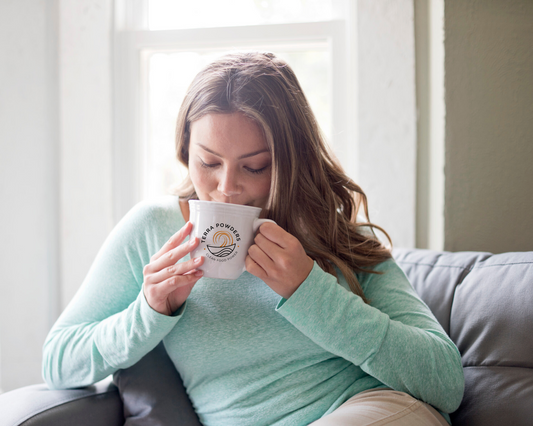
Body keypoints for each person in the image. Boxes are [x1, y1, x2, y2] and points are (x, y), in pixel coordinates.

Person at [42, 52, 464, 426]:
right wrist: (149, 311)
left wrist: (310, 291)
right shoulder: (152, 230)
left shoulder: (334, 235)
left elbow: (445, 382)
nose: (227, 187)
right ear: (185, 149)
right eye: (208, 161)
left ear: (288, 161)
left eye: (255, 167)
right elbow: (59, 361)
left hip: (373, 409)